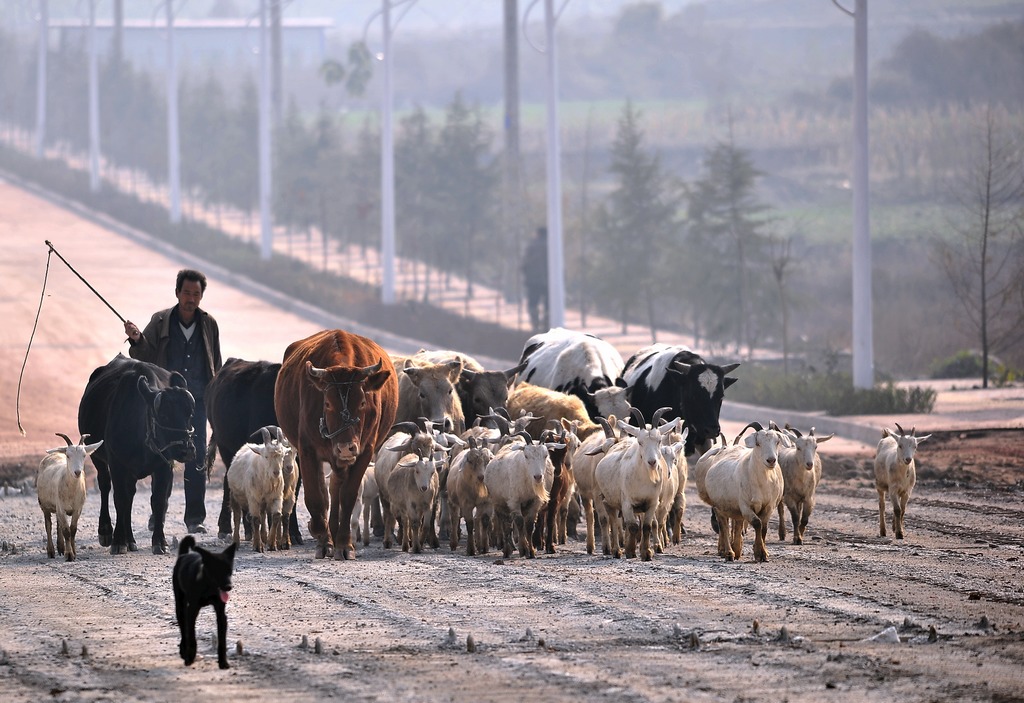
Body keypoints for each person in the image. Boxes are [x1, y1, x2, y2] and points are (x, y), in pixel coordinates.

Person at [124, 269, 223, 534]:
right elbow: (144, 354)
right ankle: (159, 517)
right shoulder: (160, 321)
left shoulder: (209, 324)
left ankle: (195, 518)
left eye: (196, 294)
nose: (191, 299)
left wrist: (215, 397)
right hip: (167, 402)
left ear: (201, 296)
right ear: (177, 292)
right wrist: (137, 339)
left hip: (197, 402)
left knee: (197, 456)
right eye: (187, 293)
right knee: (163, 458)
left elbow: (216, 361)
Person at [522, 226, 549, 332]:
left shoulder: (531, 246)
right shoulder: (553, 245)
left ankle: (535, 326)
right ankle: (546, 326)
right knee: (548, 305)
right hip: (549, 282)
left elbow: (524, 264)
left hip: (533, 281)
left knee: (533, 304)